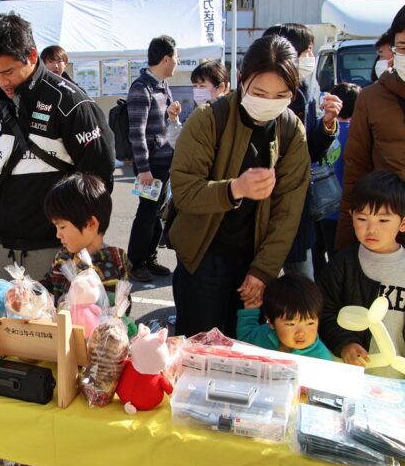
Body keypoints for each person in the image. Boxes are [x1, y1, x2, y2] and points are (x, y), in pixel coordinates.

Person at [169, 35, 310, 338]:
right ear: (241, 79)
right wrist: (234, 189)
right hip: (203, 257)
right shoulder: (209, 119)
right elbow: (184, 191)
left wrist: (263, 271)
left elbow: (288, 212)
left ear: (293, 92)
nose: (269, 103)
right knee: (199, 351)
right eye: (259, 92)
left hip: (255, 259)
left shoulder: (291, 130)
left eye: (281, 95)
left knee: (248, 353)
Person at [0, 13, 115, 281]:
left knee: (57, 322)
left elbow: (99, 180)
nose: (2, 81)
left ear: (32, 55)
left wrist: (81, 246)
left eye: (8, 71)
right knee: (1, 322)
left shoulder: (71, 102)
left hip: (55, 251)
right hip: (2, 249)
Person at [337, 0, 405, 258]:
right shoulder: (371, 99)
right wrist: (345, 255)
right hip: (382, 250)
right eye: (404, 47)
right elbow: (354, 178)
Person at [320, 171, 405, 381]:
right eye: (362, 218)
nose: (371, 229)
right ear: (351, 216)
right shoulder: (343, 263)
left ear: (404, 223)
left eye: (383, 220)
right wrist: (344, 344)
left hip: (403, 379)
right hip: (352, 377)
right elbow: (324, 311)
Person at [263, 23, 342, 280]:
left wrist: (328, 124)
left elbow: (309, 152)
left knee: (301, 283)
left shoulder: (306, 89)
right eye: (307, 50)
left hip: (299, 208)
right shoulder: (272, 97)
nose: (311, 57)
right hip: (273, 207)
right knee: (284, 284)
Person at [125, 35, 180, 282]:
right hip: (152, 166)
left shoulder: (162, 86)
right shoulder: (141, 88)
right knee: (146, 213)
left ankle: (149, 257)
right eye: (176, 58)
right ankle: (136, 263)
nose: (177, 63)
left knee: (157, 213)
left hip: (164, 162)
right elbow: (135, 132)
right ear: (166, 59)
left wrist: (172, 114)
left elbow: (164, 124)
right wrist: (143, 169)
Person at [40, 172, 130, 307]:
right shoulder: (64, 257)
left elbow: (107, 317)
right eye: (56, 227)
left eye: (62, 227)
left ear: (91, 224)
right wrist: (31, 291)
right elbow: (49, 285)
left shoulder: (109, 269)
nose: (58, 235)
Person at [311, 81, 361, 275]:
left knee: (317, 259)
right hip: (342, 210)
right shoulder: (358, 134)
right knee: (338, 260)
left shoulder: (319, 128)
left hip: (316, 206)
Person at [236, 273, 333, 360]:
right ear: (271, 322)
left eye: (310, 323)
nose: (301, 333)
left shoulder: (322, 358)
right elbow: (245, 340)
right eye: (291, 324)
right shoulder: (263, 335)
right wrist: (250, 310)